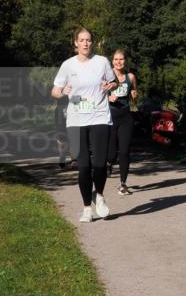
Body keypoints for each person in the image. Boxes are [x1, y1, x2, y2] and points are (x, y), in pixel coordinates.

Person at [51, 28, 116, 222]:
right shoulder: (67, 65)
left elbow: (113, 83)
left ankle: (100, 195)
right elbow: (54, 91)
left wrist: (110, 86)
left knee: (99, 163)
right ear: (76, 43)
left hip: (99, 117)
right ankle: (87, 208)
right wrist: (62, 91)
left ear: (92, 43)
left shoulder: (102, 62)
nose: (86, 43)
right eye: (82, 40)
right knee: (84, 166)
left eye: (88, 40)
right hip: (76, 120)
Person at [107, 48, 138, 195]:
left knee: (124, 151)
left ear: (125, 61)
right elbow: (96, 94)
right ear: (112, 61)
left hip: (126, 117)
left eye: (121, 59)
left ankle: (123, 184)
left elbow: (134, 94)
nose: (119, 62)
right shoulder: (107, 76)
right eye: (116, 59)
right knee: (112, 153)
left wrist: (134, 95)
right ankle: (109, 163)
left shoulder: (130, 77)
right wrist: (107, 98)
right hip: (110, 117)